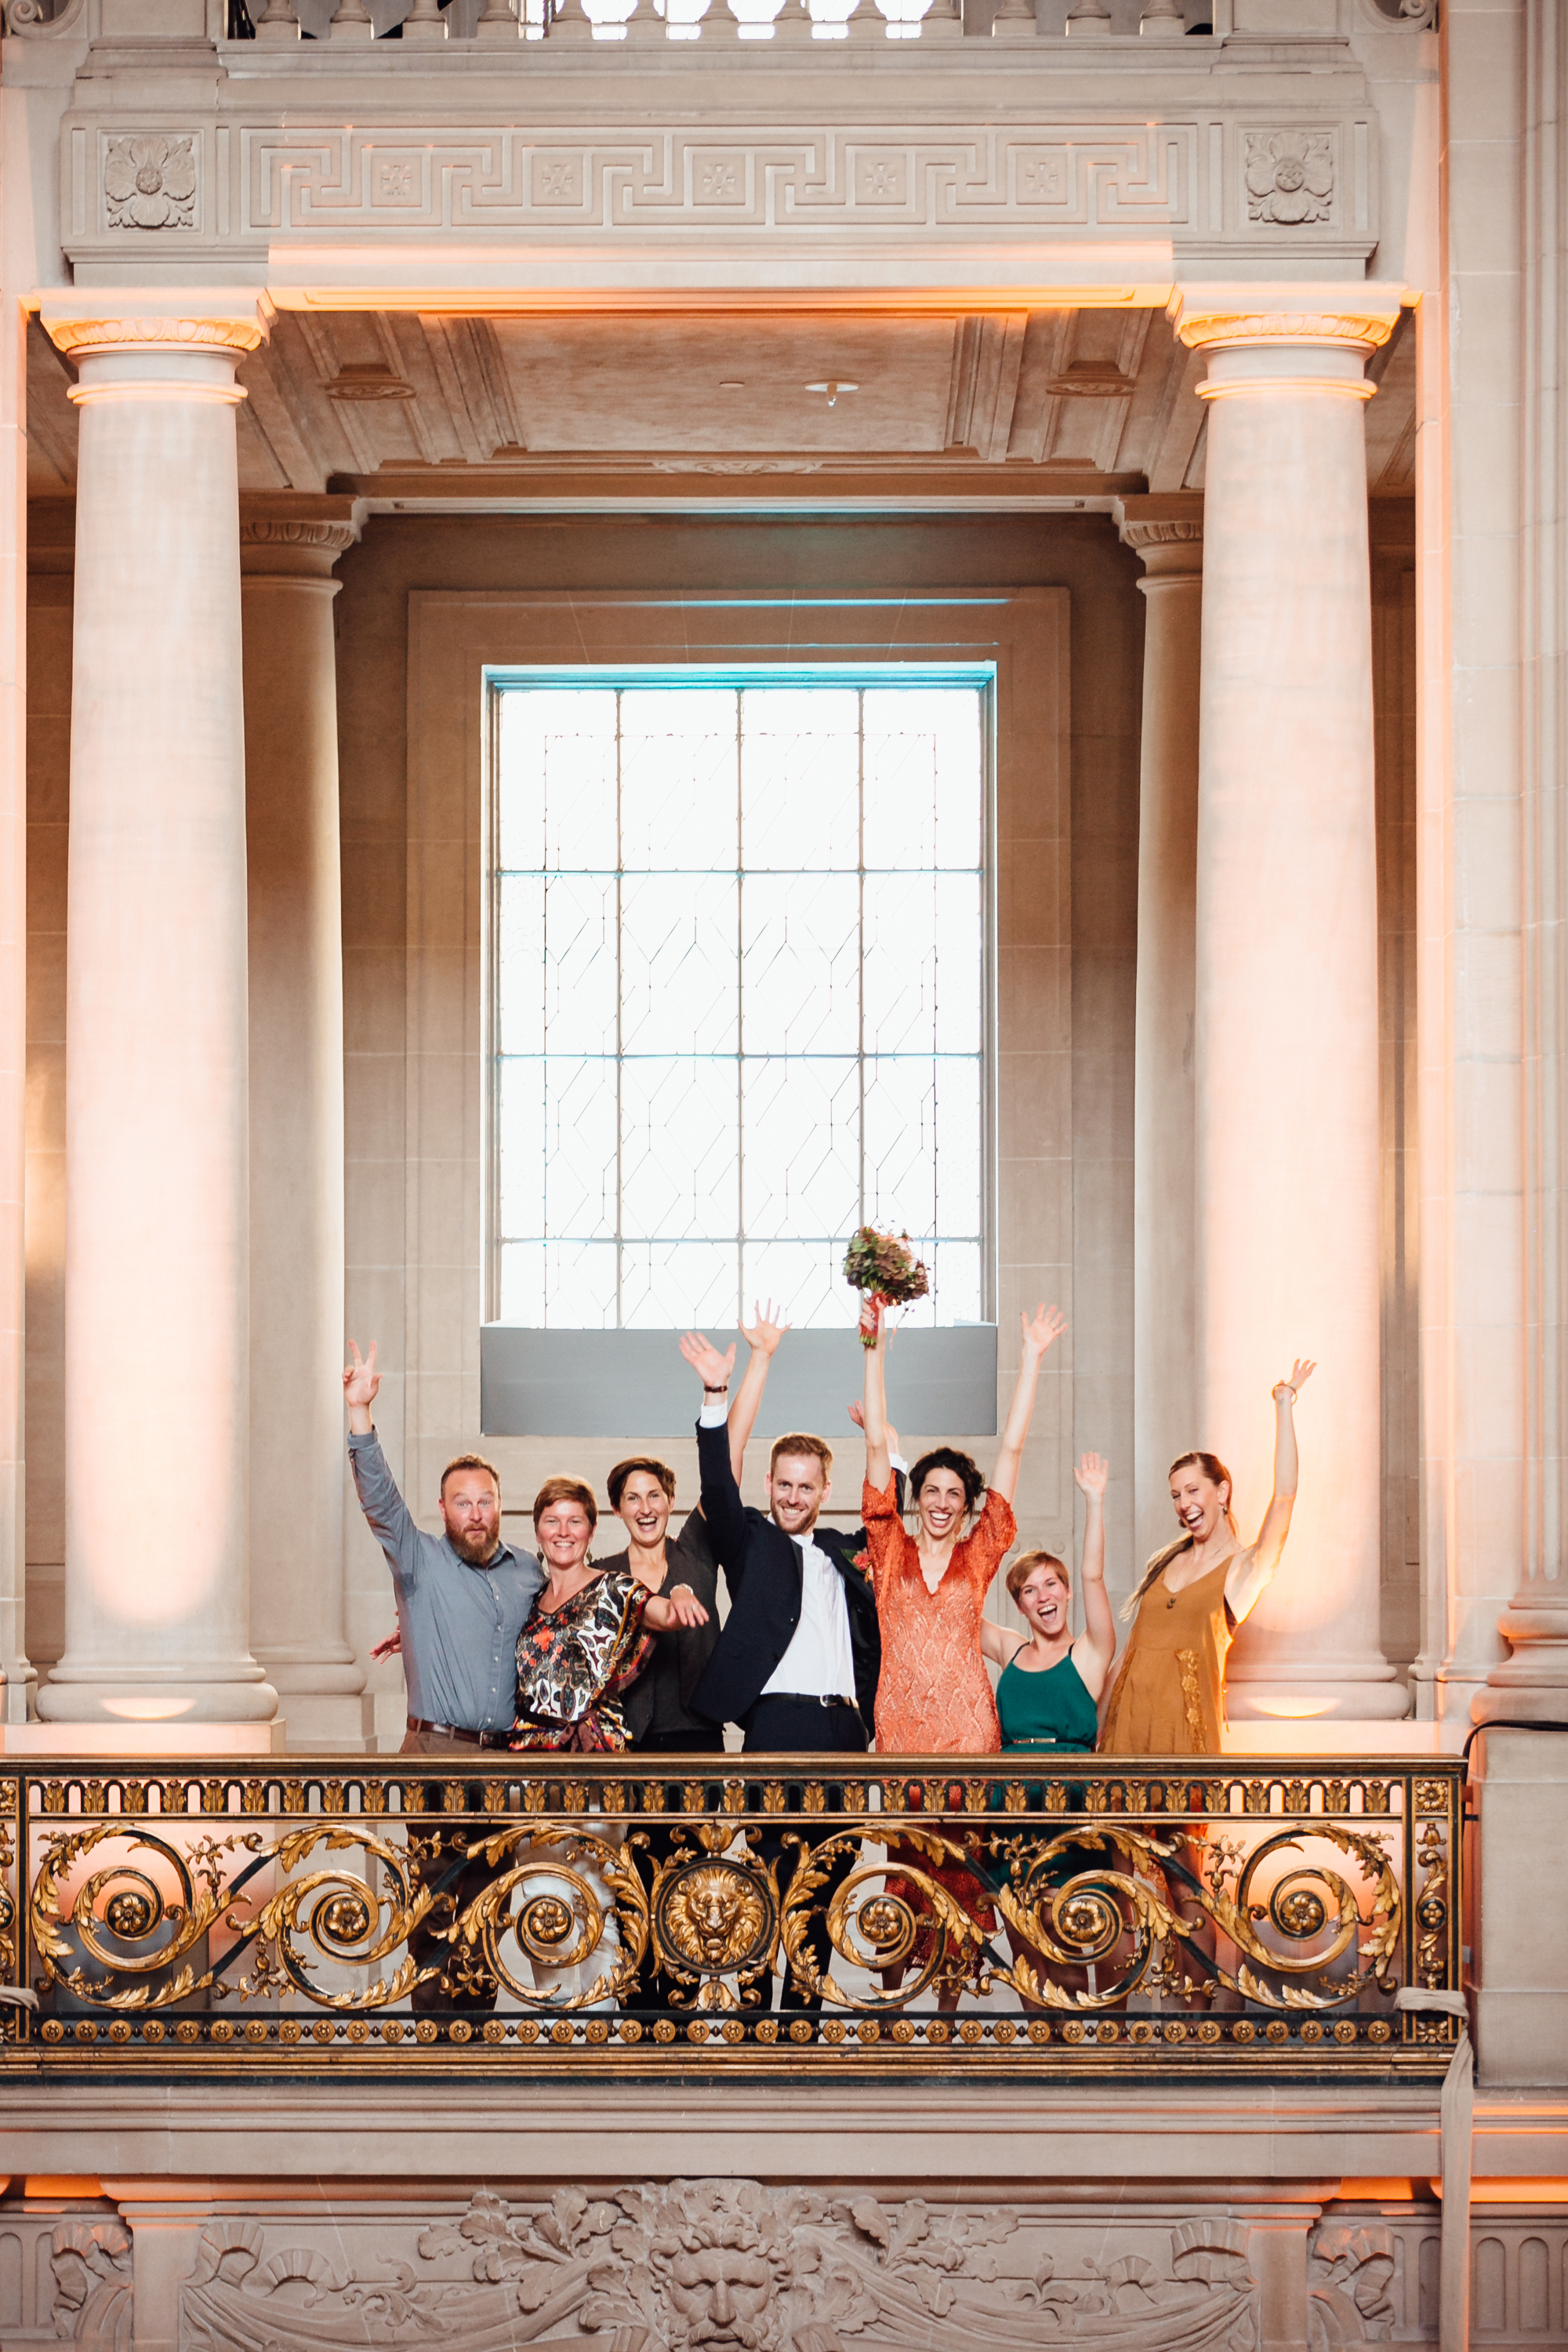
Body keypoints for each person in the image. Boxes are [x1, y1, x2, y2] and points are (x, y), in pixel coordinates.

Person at [680, 1331, 905, 2013]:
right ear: (771, 1485)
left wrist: (885, 1439)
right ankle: (752, 2020)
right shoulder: (751, 1542)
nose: (794, 1495)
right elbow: (717, 1484)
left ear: (824, 1489)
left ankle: (801, 2023)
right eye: (784, 1484)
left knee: (829, 1878)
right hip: (777, 1722)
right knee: (767, 1877)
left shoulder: (848, 1551)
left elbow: (890, 1515)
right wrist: (717, 1392)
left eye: (807, 1487)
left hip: (843, 1730)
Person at [858, 1301, 1065, 2009]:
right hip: (904, 1733)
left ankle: (950, 2013)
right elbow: (873, 1455)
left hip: (969, 1734)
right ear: (915, 1499)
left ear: (970, 1505)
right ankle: (890, 2017)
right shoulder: (888, 1550)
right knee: (900, 1876)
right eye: (932, 1490)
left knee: (964, 1874)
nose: (942, 1500)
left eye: (955, 1493)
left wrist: (1032, 1357)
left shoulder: (980, 1558)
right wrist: (874, 1345)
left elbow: (1011, 1453)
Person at [1098, 1362, 1316, 1755]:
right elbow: (1128, 1654)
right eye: (1176, 1496)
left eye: (1193, 1490)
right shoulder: (1162, 1564)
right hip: (1125, 1738)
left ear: (1222, 1492)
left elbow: (1284, 1497)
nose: (1184, 1504)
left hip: (1185, 1745)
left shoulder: (1243, 1570)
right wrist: (1094, 1735)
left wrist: (1284, 1403)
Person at [606, 1303, 788, 1759]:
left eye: (654, 1497)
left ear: (670, 1502)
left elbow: (732, 1452)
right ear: (617, 1510)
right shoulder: (602, 1576)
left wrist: (750, 1366)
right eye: (633, 1498)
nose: (645, 1508)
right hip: (626, 1746)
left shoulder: (696, 1548)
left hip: (699, 1738)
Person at [344, 1338, 539, 1755]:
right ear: (443, 1509)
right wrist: (360, 1411)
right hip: (435, 1746)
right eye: (462, 1503)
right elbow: (382, 1501)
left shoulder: (528, 1571)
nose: (475, 1514)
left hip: (508, 1759)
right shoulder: (420, 1562)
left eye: (485, 1502)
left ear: (500, 1505)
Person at [511, 1476, 710, 1753]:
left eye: (575, 1521)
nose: (563, 1531)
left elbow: (665, 1614)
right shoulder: (531, 1600)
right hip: (529, 1755)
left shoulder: (614, 1587)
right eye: (552, 1521)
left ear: (591, 1531)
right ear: (538, 1531)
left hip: (592, 1751)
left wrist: (680, 1591)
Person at [978, 1453, 1117, 1755]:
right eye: (1030, 1591)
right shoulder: (1010, 1649)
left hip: (1068, 1785)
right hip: (1009, 1785)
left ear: (1067, 1592)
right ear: (1020, 1606)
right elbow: (954, 1612)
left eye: (1051, 1584)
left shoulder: (1089, 1652)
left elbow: (1092, 1576)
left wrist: (1095, 1501)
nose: (1043, 1597)